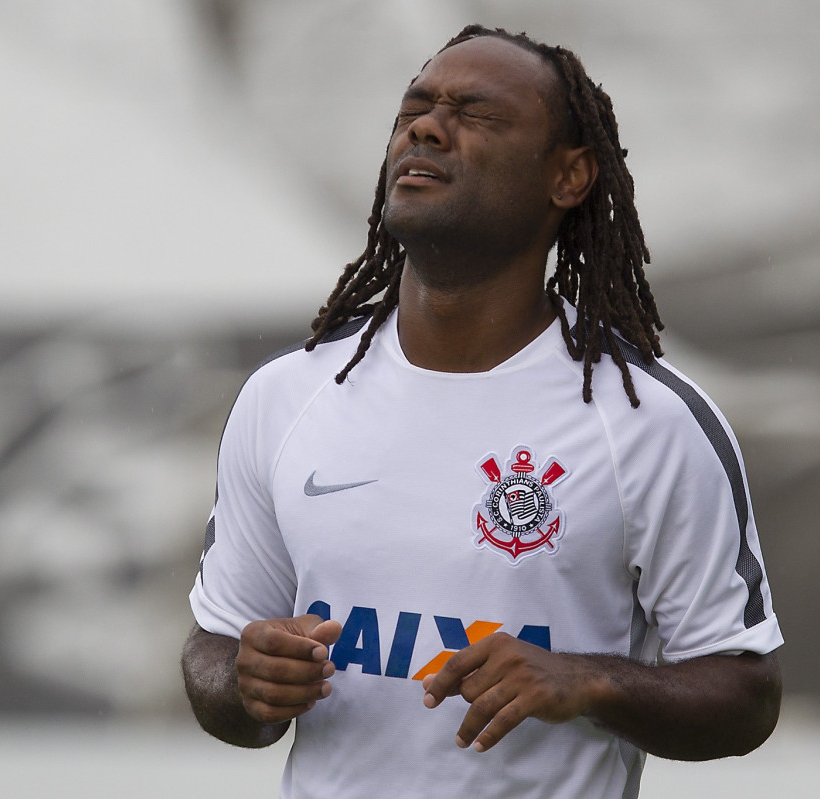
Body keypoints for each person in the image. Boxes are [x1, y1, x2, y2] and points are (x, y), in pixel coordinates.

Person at [182, 24, 783, 799]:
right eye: (415, 110)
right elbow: (214, 651)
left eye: (477, 114)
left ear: (568, 176)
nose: (427, 127)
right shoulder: (284, 398)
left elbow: (747, 692)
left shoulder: (650, 422)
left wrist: (590, 681)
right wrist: (245, 680)